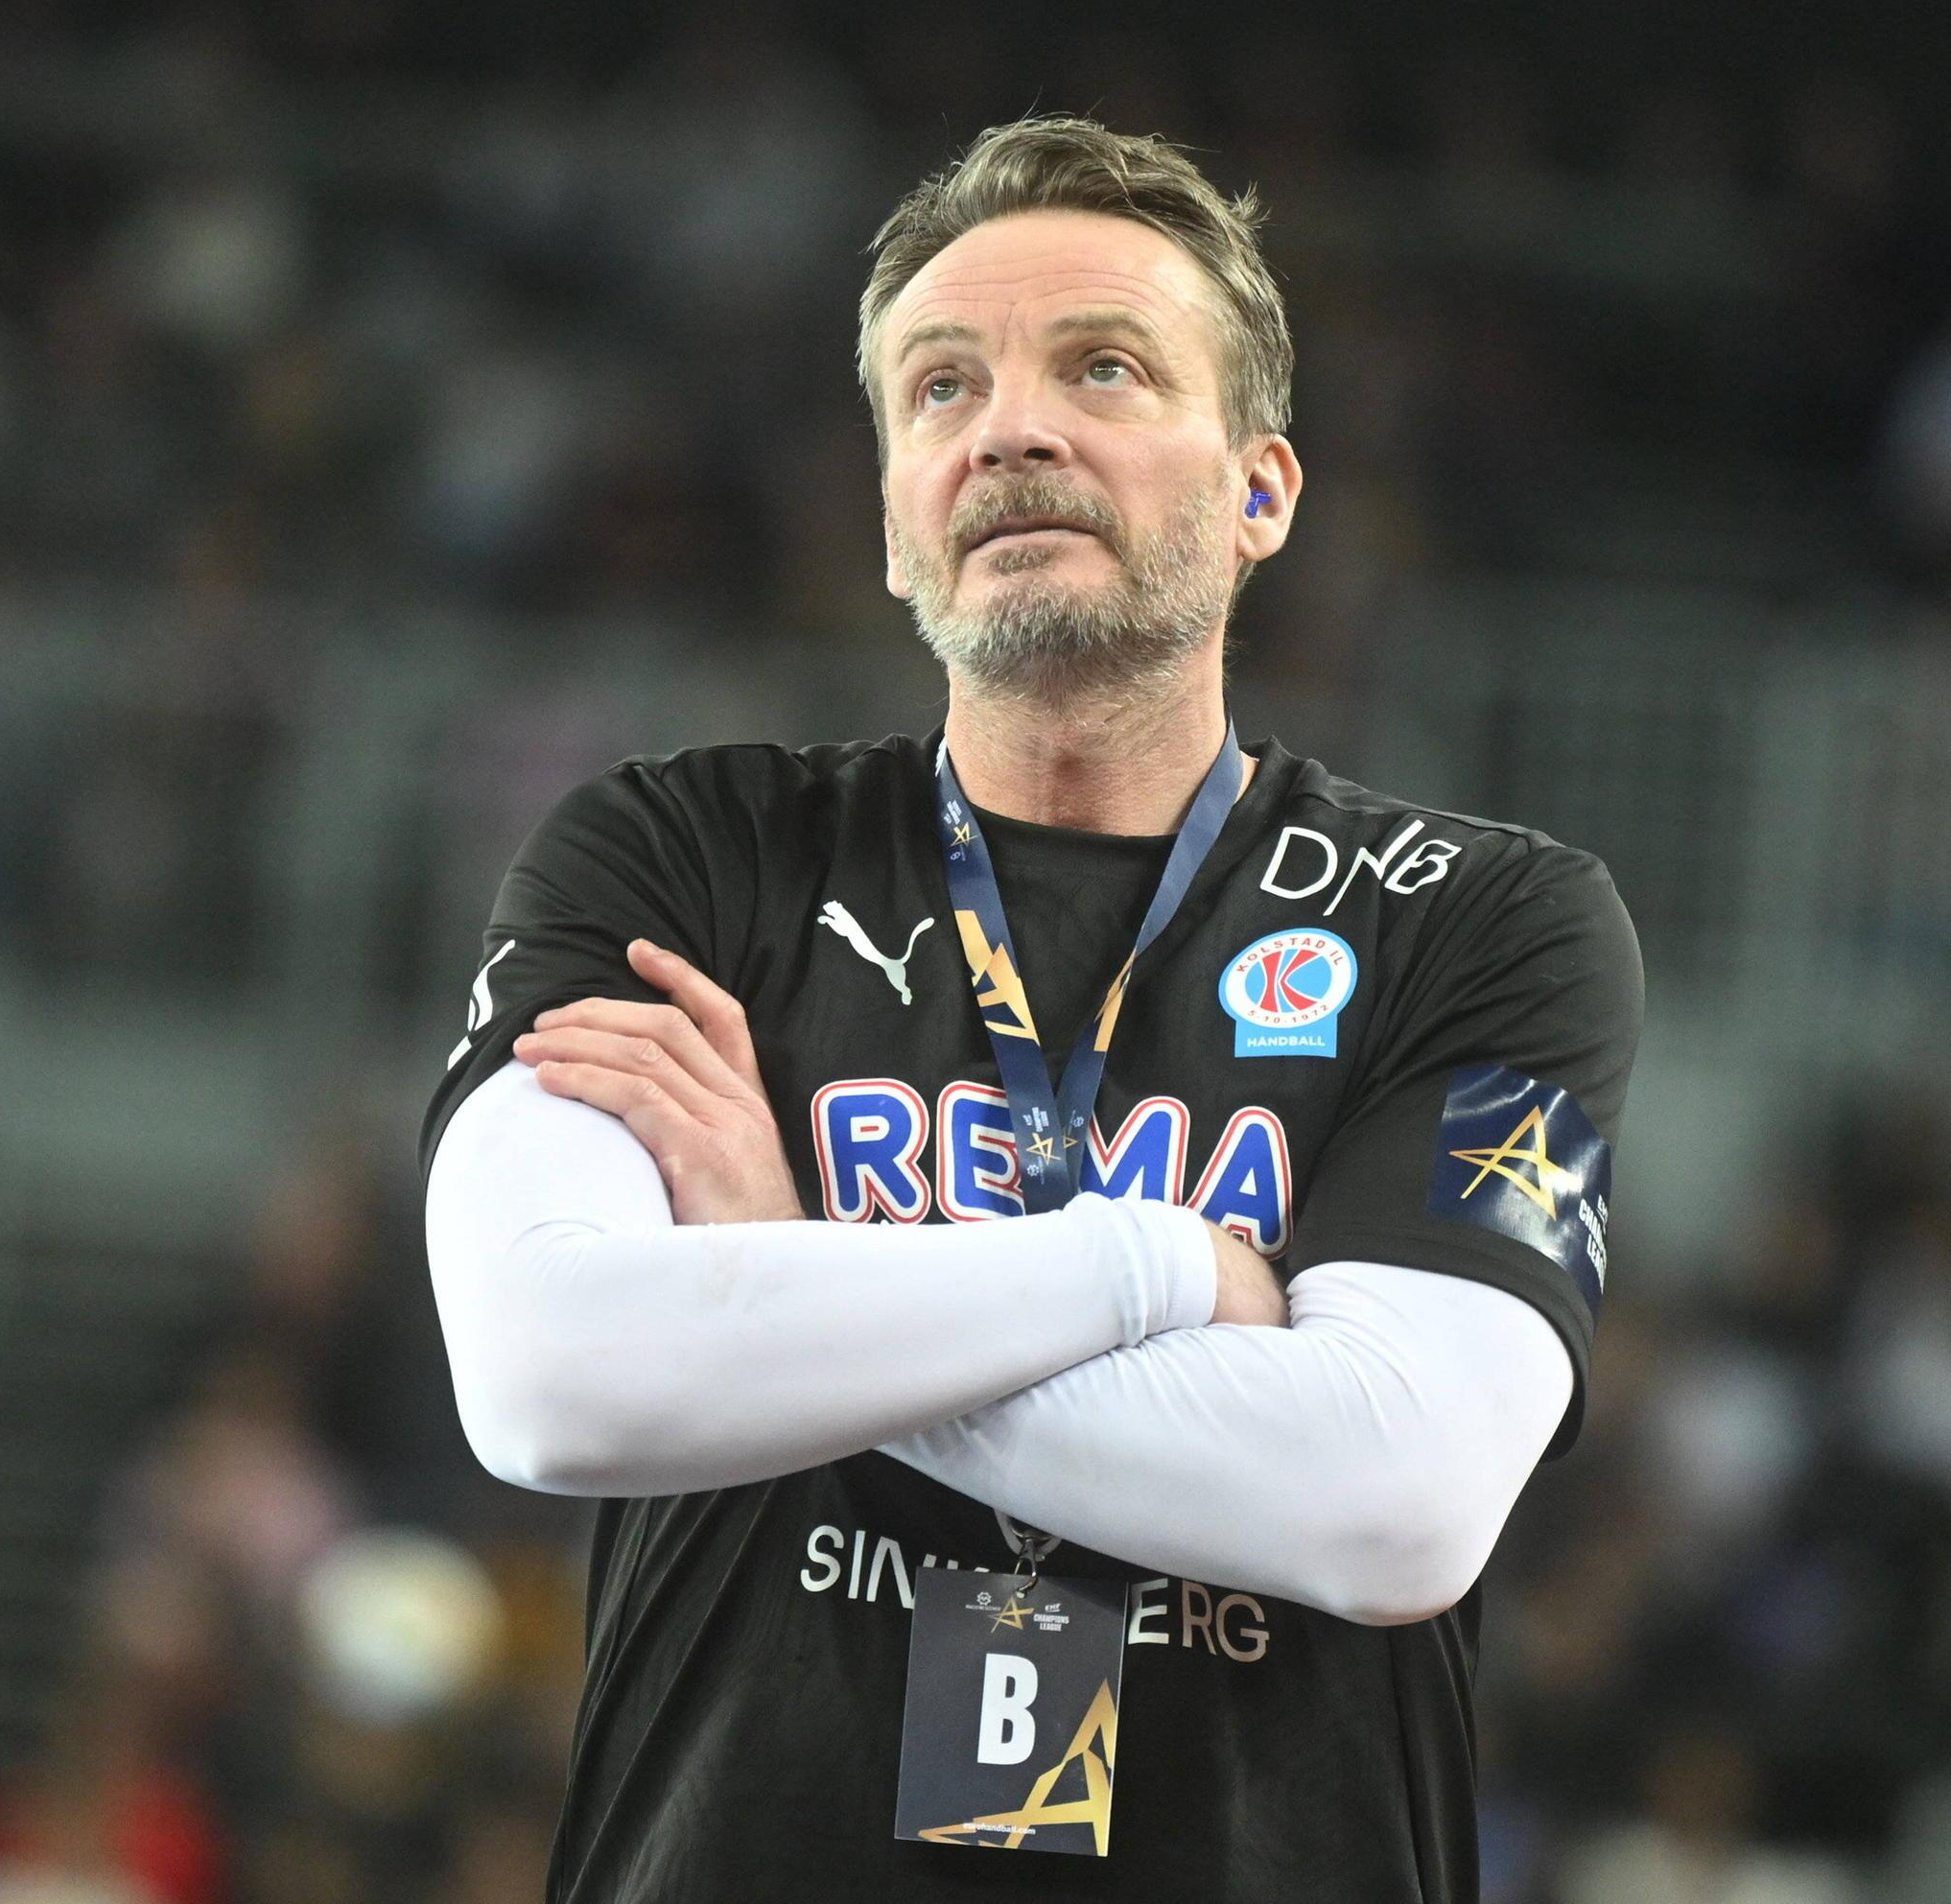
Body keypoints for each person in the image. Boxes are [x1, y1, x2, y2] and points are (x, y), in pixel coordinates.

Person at [421, 116, 1642, 1903]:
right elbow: (552, 1379)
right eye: (941, 387)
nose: (1008, 428)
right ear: (894, 517)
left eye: (1104, 368)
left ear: (1262, 492)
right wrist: (1151, 1270)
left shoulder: (1477, 918)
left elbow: (1394, 1502)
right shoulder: (680, 858)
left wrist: (786, 1272)